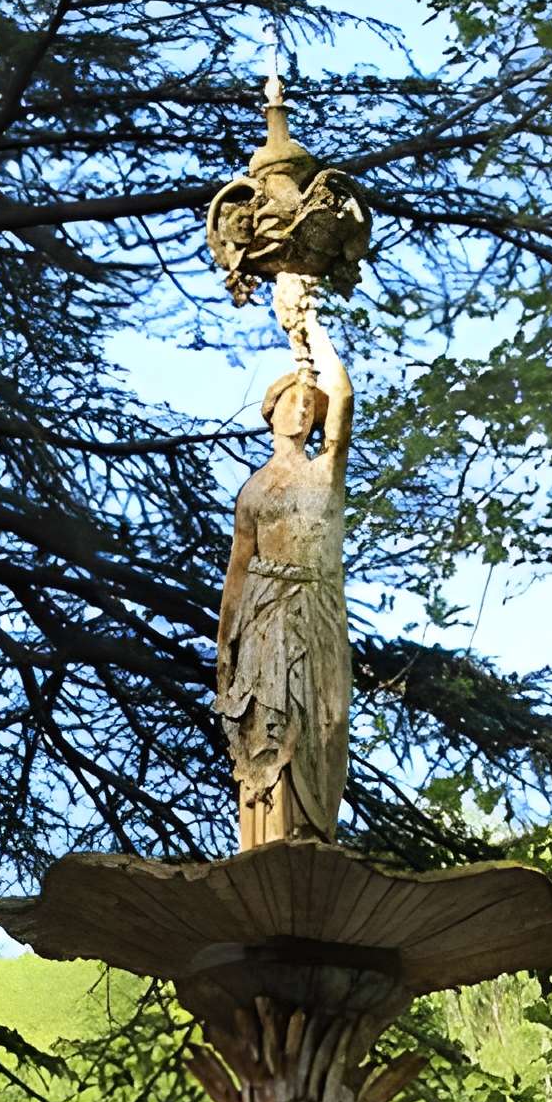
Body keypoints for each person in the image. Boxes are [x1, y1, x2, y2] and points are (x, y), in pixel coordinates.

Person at [216, 278, 352, 847]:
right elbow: (237, 569)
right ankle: (269, 835)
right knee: (271, 719)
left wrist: (307, 326)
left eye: (309, 406)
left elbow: (343, 394)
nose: (302, 411)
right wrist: (225, 645)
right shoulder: (253, 490)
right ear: (272, 413)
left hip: (316, 612)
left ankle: (310, 830)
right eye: (293, 402)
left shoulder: (325, 473)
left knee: (322, 720)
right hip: (265, 616)